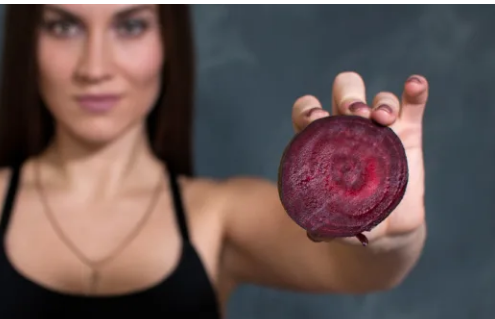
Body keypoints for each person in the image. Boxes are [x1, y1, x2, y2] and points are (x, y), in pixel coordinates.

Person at [0, 4, 428, 318]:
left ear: (168, 40)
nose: (94, 67)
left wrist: (389, 233)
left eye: (130, 26)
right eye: (63, 26)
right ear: (26, 41)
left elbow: (358, 271)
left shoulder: (218, 213)